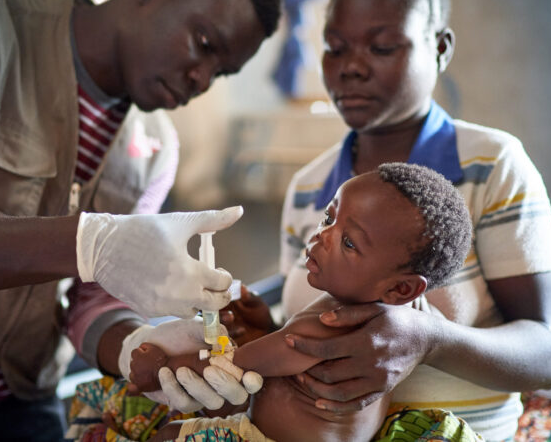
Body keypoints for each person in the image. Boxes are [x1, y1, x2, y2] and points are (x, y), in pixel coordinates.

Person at [0, 0, 281, 440]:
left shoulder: (156, 149)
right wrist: (90, 243)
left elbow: (93, 299)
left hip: (21, 410)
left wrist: (141, 347)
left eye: (221, 73)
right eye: (203, 43)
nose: (201, 79)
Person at [278, 0, 551, 440]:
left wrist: (432, 339)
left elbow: (549, 352)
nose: (350, 67)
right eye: (335, 46)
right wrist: (255, 326)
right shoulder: (309, 187)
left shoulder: (491, 166)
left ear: (440, 47)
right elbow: (301, 328)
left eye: (383, 46)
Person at [121, 163, 476, 442]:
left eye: (349, 243)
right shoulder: (397, 317)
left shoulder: (326, 328)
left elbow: (228, 369)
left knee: (170, 435)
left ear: (401, 288)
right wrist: (267, 328)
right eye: (329, 218)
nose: (321, 236)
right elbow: (284, 369)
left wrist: (162, 366)